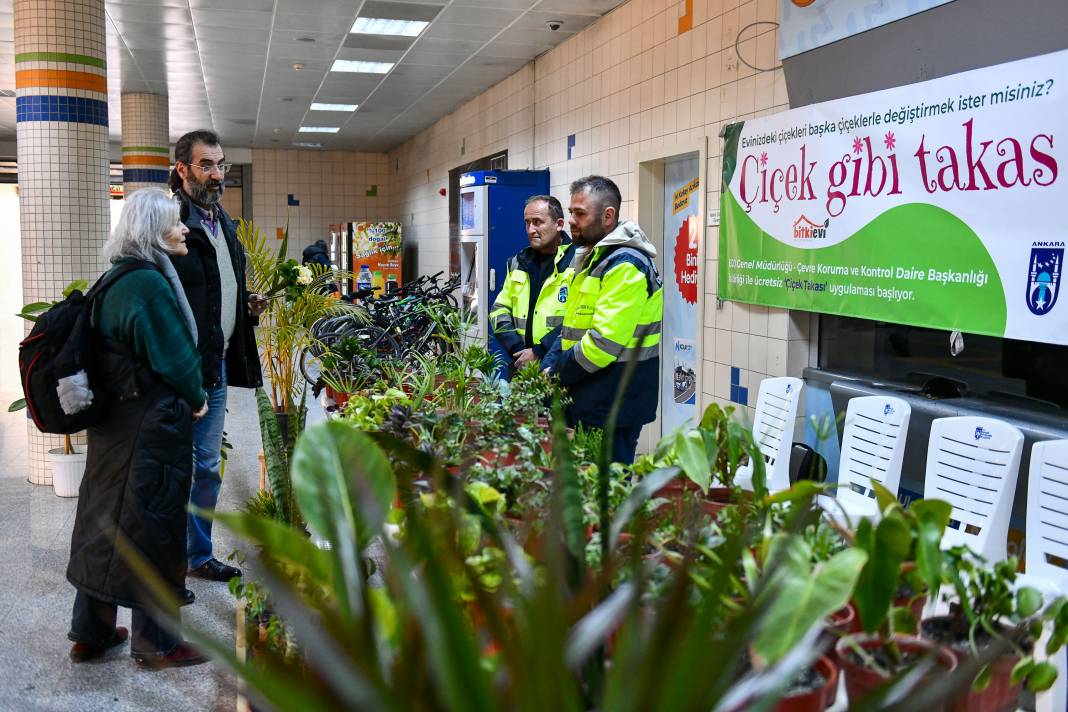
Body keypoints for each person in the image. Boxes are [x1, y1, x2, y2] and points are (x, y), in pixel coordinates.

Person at [67, 188, 209, 668]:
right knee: (155, 525)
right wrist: (198, 397)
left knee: (102, 521)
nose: (184, 228)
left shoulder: (115, 278)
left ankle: (91, 632)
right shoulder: (146, 285)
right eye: (175, 222)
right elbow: (176, 359)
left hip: (115, 424)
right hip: (151, 425)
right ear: (152, 231)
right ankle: (158, 643)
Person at [168, 130, 266, 582]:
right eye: (206, 165)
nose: (217, 174)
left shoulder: (220, 221)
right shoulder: (172, 223)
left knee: (206, 465)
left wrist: (246, 304)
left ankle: (196, 553)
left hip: (217, 362)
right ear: (183, 170)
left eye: (221, 164)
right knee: (174, 466)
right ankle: (167, 557)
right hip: (181, 368)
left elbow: (218, 286)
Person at [542, 176, 663, 464]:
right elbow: (571, 329)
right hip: (592, 397)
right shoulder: (594, 258)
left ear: (608, 216)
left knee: (605, 496)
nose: (571, 220)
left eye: (580, 213)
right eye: (571, 212)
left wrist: (555, 374)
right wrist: (550, 362)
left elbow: (602, 344)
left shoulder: (626, 265)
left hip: (614, 403)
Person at [489, 195, 576, 374]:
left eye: (537, 222)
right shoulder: (517, 262)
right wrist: (517, 350)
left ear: (559, 224)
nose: (530, 230)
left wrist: (539, 351)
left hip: (557, 365)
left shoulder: (578, 262)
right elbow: (499, 310)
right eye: (527, 222)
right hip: (520, 363)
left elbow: (577, 318)